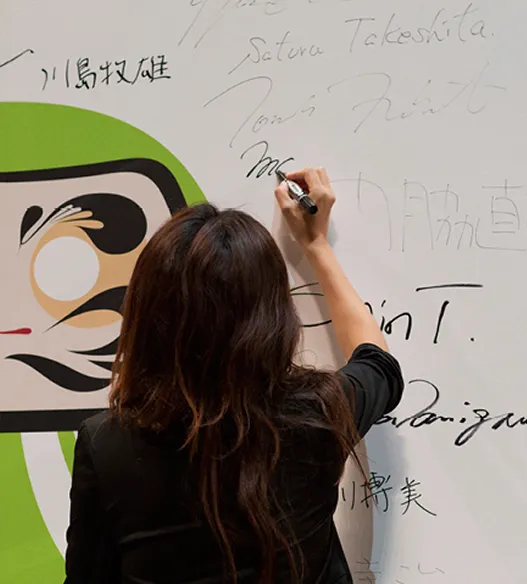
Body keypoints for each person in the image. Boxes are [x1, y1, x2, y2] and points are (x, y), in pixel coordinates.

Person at [63, 167, 404, 583]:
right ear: (273, 316)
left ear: (147, 315)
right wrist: (316, 244)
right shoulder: (317, 416)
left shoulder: (107, 445)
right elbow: (379, 364)